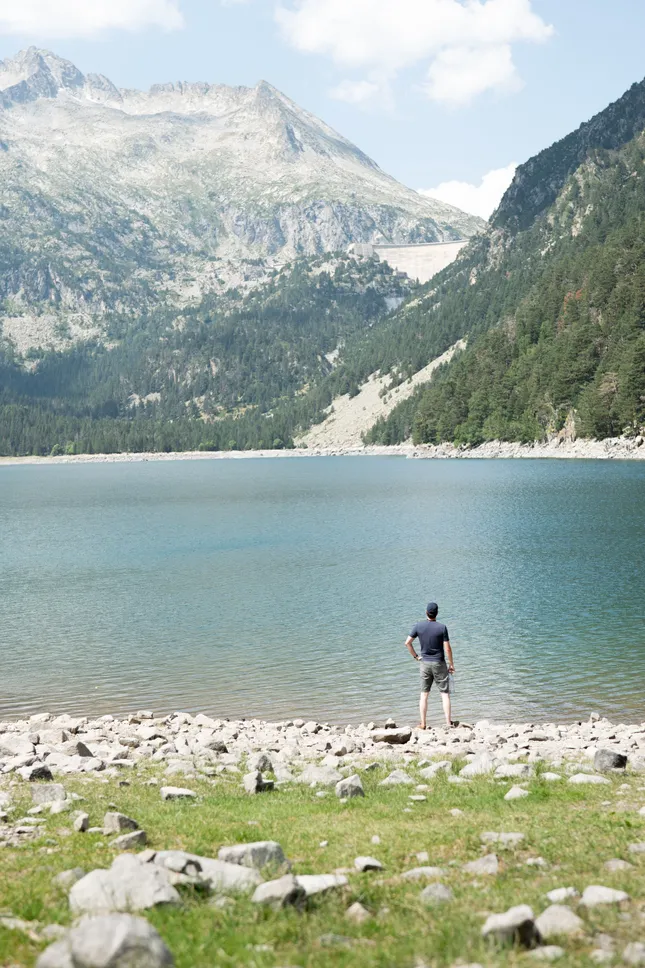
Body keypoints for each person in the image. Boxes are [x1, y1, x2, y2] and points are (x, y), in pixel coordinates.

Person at [404, 601, 455, 729]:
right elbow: (447, 649)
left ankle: (423, 724)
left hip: (424, 663)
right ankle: (448, 723)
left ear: (426, 612)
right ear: (437, 613)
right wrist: (451, 664)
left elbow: (407, 643)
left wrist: (416, 657)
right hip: (439, 663)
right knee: (444, 694)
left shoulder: (418, 626)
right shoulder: (442, 627)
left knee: (424, 694)